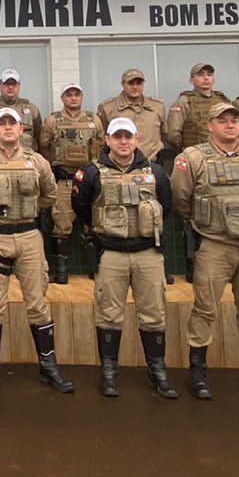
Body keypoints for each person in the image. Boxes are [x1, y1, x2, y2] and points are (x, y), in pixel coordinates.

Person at [169, 103, 239, 402]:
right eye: (223, 121)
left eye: (234, 120)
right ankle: (198, 371)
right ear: (210, 125)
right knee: (205, 309)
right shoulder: (192, 158)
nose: (230, 125)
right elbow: (181, 198)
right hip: (215, 246)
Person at [0, 108, 73, 395]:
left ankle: (48, 367)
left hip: (29, 237)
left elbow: (49, 195)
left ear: (21, 129)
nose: (8, 128)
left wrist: (29, 213)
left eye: (12, 123)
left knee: (37, 303)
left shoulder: (37, 162)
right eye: (2, 123)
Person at [72, 117, 176, 399]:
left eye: (127, 136)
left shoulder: (155, 172)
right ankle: (109, 372)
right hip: (111, 254)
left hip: (147, 254)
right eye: (117, 137)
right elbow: (82, 207)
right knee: (109, 314)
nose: (123, 142)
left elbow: (165, 206)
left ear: (137, 139)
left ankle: (158, 371)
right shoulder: (92, 172)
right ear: (107, 140)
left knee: (154, 314)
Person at [37, 81, 102, 284]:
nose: (73, 98)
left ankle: (95, 269)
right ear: (62, 98)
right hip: (64, 179)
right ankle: (62, 271)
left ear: (81, 97)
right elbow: (44, 146)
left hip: (89, 180)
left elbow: (101, 147)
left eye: (77, 94)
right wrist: (54, 168)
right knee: (61, 223)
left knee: (95, 223)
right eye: (69, 95)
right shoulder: (53, 121)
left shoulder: (94, 120)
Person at [96, 69, 167, 162]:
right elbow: (102, 137)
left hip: (152, 162)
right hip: (119, 165)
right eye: (131, 83)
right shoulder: (108, 108)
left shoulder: (157, 107)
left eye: (139, 83)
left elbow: (165, 134)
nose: (135, 87)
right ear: (123, 84)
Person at [163, 63, 230, 153]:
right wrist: (186, 150)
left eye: (209, 75)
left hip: (222, 152)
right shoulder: (184, 101)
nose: (206, 78)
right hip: (196, 154)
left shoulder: (222, 100)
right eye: (200, 75)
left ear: (213, 79)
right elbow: (173, 134)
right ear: (191, 80)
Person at [0, 68, 41, 152]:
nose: (10, 87)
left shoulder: (32, 109)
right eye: (6, 84)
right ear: (0, 85)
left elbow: (40, 140)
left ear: (19, 85)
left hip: (26, 161)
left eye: (14, 84)